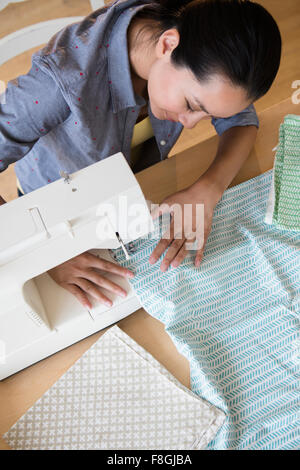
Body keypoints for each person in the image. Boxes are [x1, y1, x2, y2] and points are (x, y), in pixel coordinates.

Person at [0, 0, 282, 309]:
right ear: (167, 44)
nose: (190, 124)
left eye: (205, 113)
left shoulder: (201, 51)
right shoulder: (58, 84)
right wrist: (45, 255)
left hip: (127, 192)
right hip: (52, 207)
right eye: (190, 105)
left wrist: (209, 189)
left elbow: (240, 120)